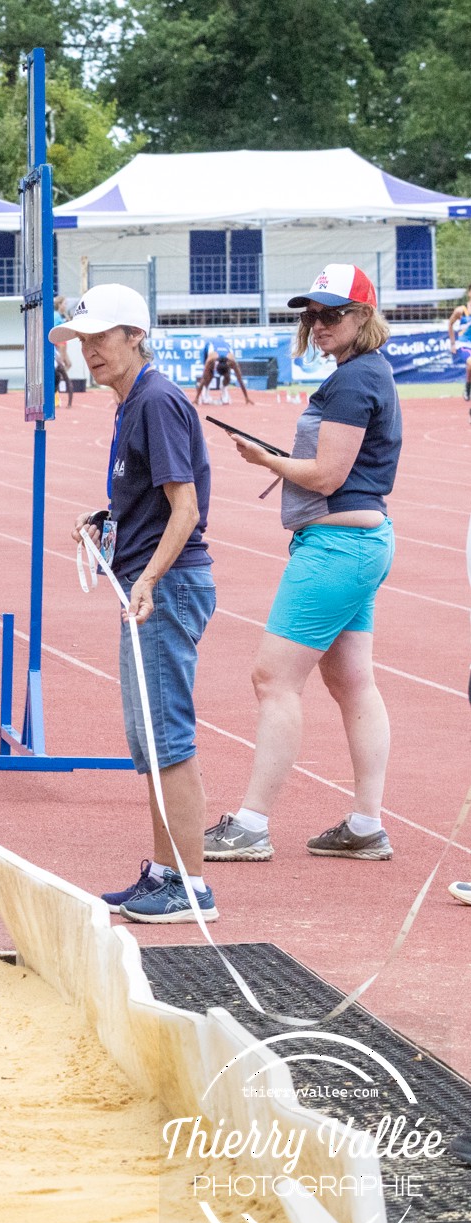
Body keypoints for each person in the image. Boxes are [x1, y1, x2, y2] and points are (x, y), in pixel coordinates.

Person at [203, 264, 402, 866]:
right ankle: (366, 825)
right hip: (359, 543)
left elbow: (327, 476)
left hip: (336, 548)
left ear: (362, 317)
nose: (318, 325)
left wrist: (267, 460)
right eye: (311, 315)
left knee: (274, 679)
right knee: (352, 682)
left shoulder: (352, 381)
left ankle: (252, 824)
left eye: (331, 314)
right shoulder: (367, 372)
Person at [54, 284, 219, 925]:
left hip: (165, 588)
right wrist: (107, 520)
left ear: (135, 336)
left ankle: (191, 885)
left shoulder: (154, 401)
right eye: (83, 340)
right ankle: (166, 872)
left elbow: (187, 508)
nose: (89, 350)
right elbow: (154, 500)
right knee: (152, 738)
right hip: (151, 584)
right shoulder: (132, 404)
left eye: (101, 337)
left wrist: (148, 578)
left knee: (167, 735)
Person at [193, 338, 252, 406]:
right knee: (208, 375)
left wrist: (246, 397)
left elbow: (240, 379)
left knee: (227, 377)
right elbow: (203, 378)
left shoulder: (232, 362)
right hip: (209, 346)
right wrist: (196, 398)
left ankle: (224, 391)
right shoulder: (211, 359)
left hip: (225, 346)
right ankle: (205, 392)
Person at [446, 286, 471, 407]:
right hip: (464, 344)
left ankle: (468, 385)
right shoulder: (461, 310)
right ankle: (468, 386)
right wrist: (452, 343)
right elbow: (450, 324)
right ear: (469, 293)